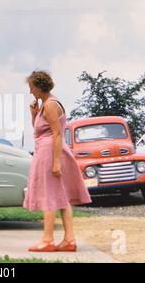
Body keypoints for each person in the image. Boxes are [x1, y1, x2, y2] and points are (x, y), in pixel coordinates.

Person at [23, 70, 92, 252]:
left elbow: (57, 134)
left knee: (50, 197)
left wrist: (55, 163)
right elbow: (41, 130)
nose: (30, 92)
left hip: (50, 153)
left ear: (38, 87)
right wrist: (34, 114)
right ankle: (69, 240)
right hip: (48, 150)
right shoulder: (45, 104)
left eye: (31, 88)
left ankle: (47, 240)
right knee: (61, 198)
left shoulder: (51, 105)